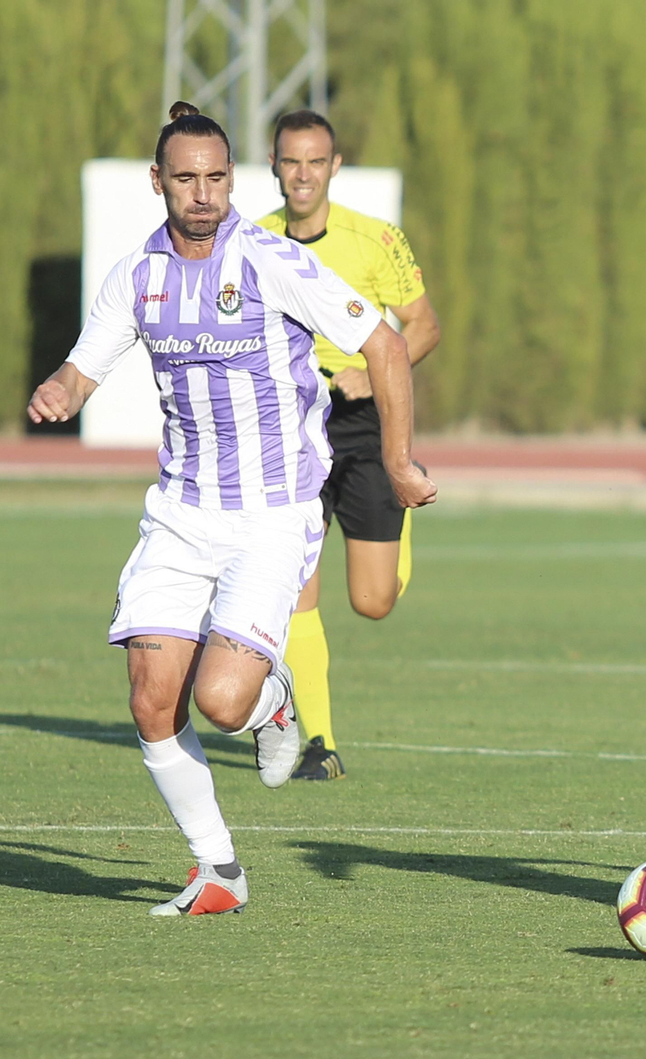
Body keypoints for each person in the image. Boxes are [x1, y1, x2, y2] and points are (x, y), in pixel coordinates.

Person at [26, 102, 436, 916]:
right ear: (158, 183)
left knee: (220, 701)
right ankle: (219, 868)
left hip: (274, 512)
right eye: (186, 178)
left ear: (231, 181)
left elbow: (385, 344)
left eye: (216, 177)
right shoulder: (136, 277)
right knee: (150, 696)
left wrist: (395, 460)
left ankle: (272, 700)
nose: (203, 193)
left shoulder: (269, 259)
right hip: (180, 513)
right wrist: (56, 391)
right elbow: (83, 370)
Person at [257, 110, 442, 782]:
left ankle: (404, 494)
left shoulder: (375, 239)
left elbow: (423, 326)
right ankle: (320, 743)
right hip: (293, 428)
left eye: (315, 162)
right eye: (290, 162)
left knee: (373, 600)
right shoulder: (254, 239)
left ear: (334, 167)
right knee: (294, 589)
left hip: (365, 423)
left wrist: (372, 371)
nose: (302, 175)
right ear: (274, 165)